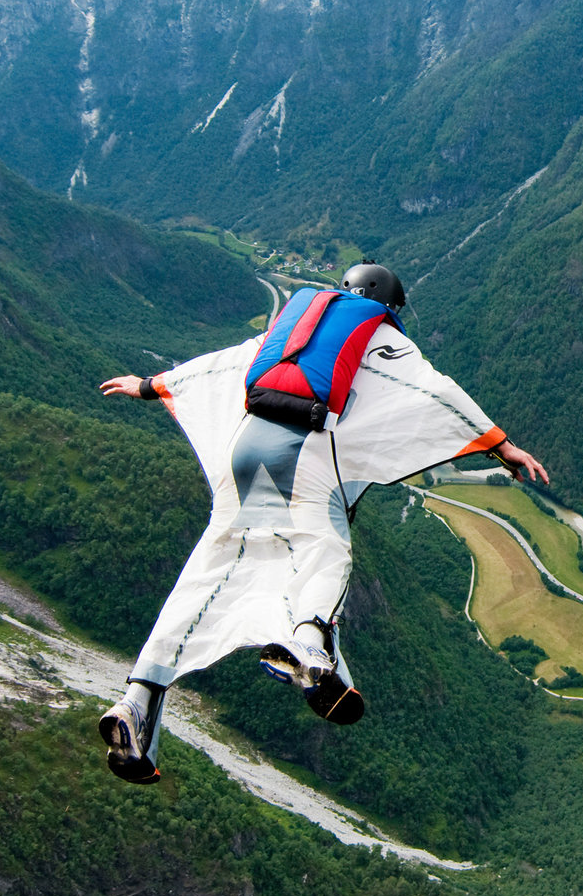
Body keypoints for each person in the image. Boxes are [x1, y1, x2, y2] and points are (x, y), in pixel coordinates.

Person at [93, 263, 548, 784]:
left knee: (210, 571)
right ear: (390, 304)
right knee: (325, 548)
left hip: (241, 455)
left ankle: (137, 700)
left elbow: (219, 367)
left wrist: (150, 385)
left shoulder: (295, 324)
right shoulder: (379, 335)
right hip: (304, 457)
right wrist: (500, 444)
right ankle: (309, 642)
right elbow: (436, 392)